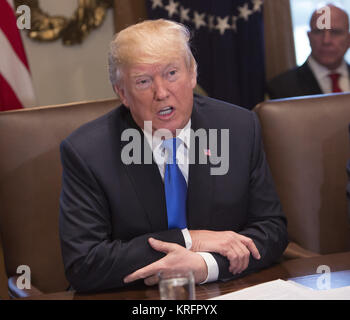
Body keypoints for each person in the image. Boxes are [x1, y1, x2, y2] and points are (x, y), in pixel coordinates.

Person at [59, 19, 288, 293]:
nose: (162, 93)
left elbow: (271, 230)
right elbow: (85, 263)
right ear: (123, 93)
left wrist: (205, 265)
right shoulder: (88, 152)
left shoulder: (238, 128)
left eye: (171, 73)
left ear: (192, 74)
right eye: (143, 81)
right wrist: (189, 240)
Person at [267, 4, 350, 99]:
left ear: (348, 39)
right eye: (318, 32)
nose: (326, 40)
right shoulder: (281, 87)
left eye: (335, 32)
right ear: (309, 37)